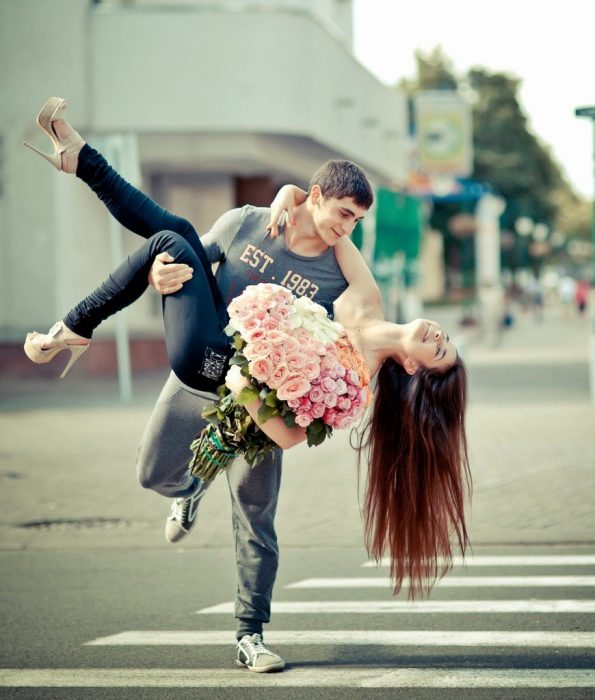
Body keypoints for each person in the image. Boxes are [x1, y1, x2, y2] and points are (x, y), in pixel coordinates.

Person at [23, 97, 470, 671]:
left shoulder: (353, 362)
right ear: (316, 200)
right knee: (154, 470)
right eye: (341, 216)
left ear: (412, 370)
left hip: (252, 410)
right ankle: (79, 161)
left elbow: (291, 428)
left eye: (438, 349)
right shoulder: (347, 281)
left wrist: (252, 383)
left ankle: (249, 633)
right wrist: (164, 275)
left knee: (256, 519)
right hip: (203, 366)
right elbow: (204, 254)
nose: (437, 333)